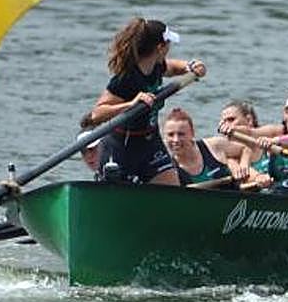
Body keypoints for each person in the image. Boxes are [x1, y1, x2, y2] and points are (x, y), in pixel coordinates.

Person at [88, 18, 207, 185]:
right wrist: (131, 105)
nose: (170, 49)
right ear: (160, 48)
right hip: (121, 148)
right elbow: (96, 114)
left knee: (172, 192)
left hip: (150, 143)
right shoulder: (126, 79)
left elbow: (172, 67)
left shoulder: (156, 66)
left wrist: (189, 66)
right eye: (168, 44)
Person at [222, 90, 288, 195]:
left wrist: (275, 141)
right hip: (278, 194)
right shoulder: (276, 131)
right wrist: (231, 129)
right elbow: (251, 133)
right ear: (286, 113)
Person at [163, 107, 239, 186]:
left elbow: (248, 150)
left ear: (192, 134)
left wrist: (234, 162)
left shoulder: (215, 145)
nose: (176, 140)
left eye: (181, 134)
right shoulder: (167, 171)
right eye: (170, 135)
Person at [217, 100, 269, 188]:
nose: (226, 126)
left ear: (249, 120)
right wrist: (258, 177)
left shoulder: (267, 143)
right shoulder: (224, 154)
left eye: (231, 120)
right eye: (223, 122)